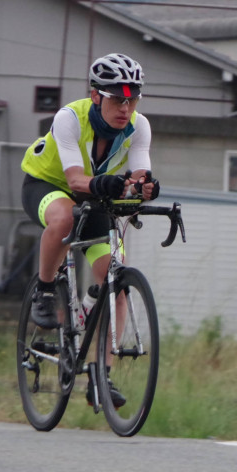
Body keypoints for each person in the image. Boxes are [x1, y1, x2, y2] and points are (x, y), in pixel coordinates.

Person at [20, 53, 160, 403]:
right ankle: (46, 290)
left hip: (95, 193)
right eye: (117, 98)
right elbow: (74, 179)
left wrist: (145, 188)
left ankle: (102, 375)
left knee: (116, 280)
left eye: (132, 98)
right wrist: (108, 183)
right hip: (48, 184)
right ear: (96, 95)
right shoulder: (69, 118)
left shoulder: (139, 126)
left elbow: (139, 172)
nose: (125, 107)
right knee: (65, 218)